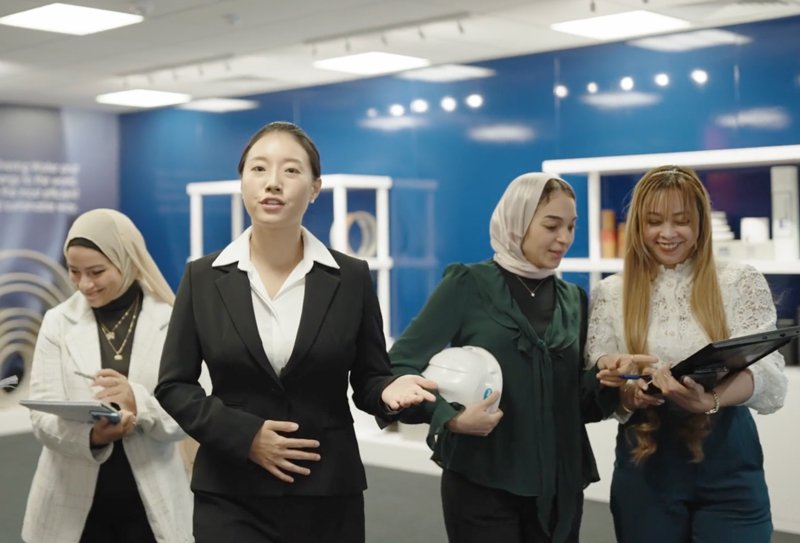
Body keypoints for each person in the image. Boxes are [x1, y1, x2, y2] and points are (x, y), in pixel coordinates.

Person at [154, 120, 436, 543]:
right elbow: (174, 385)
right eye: (259, 169)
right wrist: (245, 436)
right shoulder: (202, 277)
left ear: (315, 187)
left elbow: (369, 378)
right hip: (231, 491)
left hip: (327, 491)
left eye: (290, 170)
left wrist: (388, 392)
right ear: (243, 182)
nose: (273, 182)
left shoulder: (351, 277)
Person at [387, 173, 619, 543]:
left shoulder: (574, 299)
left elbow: (576, 402)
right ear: (517, 221)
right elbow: (399, 367)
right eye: (551, 225)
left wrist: (608, 381)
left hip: (559, 487)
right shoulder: (467, 284)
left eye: (572, 226)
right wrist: (449, 417)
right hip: (482, 481)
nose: (564, 238)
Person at [587, 165, 789, 543]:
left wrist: (710, 399)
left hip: (729, 463)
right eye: (654, 221)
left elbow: (768, 375)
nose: (667, 233)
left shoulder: (739, 281)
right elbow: (601, 380)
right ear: (638, 225)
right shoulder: (610, 294)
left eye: (681, 220)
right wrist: (629, 391)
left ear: (700, 223)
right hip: (645, 466)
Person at [22, 209, 193, 543]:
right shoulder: (57, 322)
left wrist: (138, 403)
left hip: (151, 508)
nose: (85, 284)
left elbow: (192, 412)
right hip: (71, 509)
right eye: (74, 271)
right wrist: (93, 437)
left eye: (97, 272)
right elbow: (42, 418)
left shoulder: (170, 320)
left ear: (126, 261)